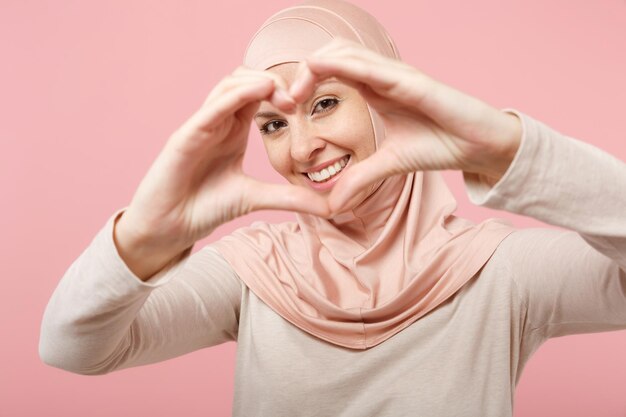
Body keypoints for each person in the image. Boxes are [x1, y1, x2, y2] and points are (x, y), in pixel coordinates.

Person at [39, 0, 626, 415]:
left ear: (384, 100)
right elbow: (73, 349)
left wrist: (506, 147)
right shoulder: (254, 272)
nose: (300, 148)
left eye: (324, 103)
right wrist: (142, 237)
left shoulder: (499, 272)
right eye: (273, 124)